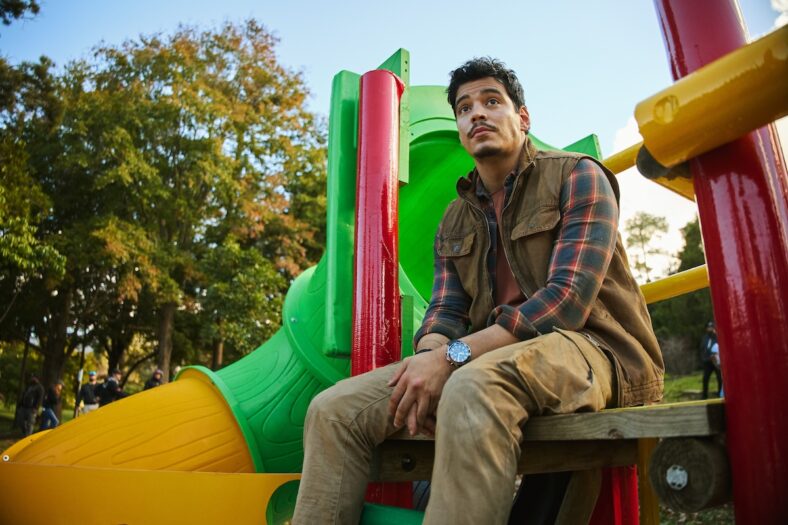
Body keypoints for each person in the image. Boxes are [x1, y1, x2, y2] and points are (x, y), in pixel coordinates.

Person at [292, 57, 663, 524]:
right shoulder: (456, 216)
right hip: (494, 357)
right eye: (464, 108)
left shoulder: (577, 175)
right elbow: (445, 311)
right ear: (459, 128)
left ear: (523, 118)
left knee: (473, 386)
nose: (477, 114)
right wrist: (429, 360)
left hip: (595, 351)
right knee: (333, 411)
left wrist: (451, 360)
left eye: (491, 101)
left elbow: (565, 302)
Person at [700, 321, 722, 399]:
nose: (710, 329)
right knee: (705, 378)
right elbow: (702, 349)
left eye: (711, 327)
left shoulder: (717, 337)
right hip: (707, 362)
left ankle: (720, 394)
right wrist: (703, 358)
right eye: (708, 327)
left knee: (719, 377)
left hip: (716, 361)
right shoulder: (705, 338)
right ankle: (704, 396)